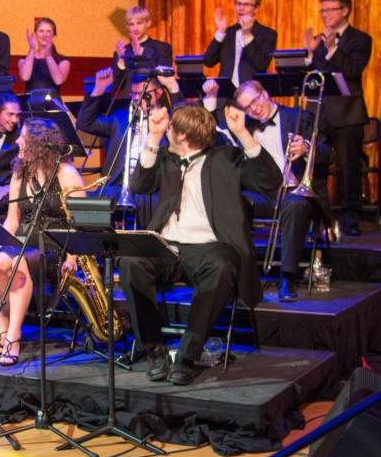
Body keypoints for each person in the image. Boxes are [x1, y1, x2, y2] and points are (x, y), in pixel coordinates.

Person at [119, 104, 281, 385]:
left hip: (209, 247)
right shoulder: (166, 159)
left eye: (170, 129)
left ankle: (187, 355)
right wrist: (154, 138)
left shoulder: (226, 159)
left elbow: (270, 180)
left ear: (181, 135)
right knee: (131, 262)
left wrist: (242, 133)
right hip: (166, 245)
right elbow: (139, 187)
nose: (167, 130)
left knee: (221, 268)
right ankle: (154, 349)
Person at [0, 118, 84, 366]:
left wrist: (73, 256)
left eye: (23, 137)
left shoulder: (66, 174)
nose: (18, 141)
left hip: (56, 242)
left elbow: (80, 223)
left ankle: (13, 336)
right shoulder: (20, 174)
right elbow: (12, 220)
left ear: (39, 144)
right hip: (25, 236)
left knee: (18, 264)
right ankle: (3, 324)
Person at [233, 80, 332, 301]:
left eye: (255, 101)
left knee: (294, 204)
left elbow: (328, 154)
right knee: (234, 201)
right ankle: (240, 272)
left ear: (265, 93)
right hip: (264, 195)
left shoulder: (299, 116)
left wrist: (307, 148)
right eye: (247, 107)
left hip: (296, 191)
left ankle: (287, 277)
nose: (254, 108)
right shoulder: (246, 129)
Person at [76, 67, 183, 227]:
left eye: (142, 95)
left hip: (152, 190)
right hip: (118, 186)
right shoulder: (120, 118)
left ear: (158, 93)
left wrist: (174, 88)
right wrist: (98, 89)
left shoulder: (170, 119)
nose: (136, 99)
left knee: (153, 203)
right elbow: (85, 123)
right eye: (133, 95)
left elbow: (189, 124)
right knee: (86, 205)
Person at [304, 0, 373, 236]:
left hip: (347, 114)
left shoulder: (360, 39)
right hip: (319, 114)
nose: (325, 15)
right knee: (316, 168)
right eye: (322, 11)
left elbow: (353, 71)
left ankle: (350, 218)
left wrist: (333, 48)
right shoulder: (318, 40)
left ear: (344, 11)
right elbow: (311, 78)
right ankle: (320, 216)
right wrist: (310, 55)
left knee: (348, 169)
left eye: (330, 10)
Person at [203, 0, 277, 89]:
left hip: (251, 97)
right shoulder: (228, 32)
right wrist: (220, 32)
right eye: (238, 3)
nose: (241, 8)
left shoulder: (267, 34)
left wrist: (247, 35)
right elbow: (208, 61)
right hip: (226, 96)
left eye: (246, 5)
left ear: (256, 8)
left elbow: (261, 64)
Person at [112, 6, 173, 96]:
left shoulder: (162, 48)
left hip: (155, 101)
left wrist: (139, 55)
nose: (135, 28)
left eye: (139, 23)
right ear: (127, 26)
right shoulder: (121, 52)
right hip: (129, 103)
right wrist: (121, 64)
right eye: (131, 24)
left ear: (148, 23)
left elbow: (163, 78)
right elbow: (116, 86)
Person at [18, 17, 70, 97]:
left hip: (52, 105)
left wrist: (48, 55)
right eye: (41, 31)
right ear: (35, 34)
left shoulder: (63, 61)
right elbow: (25, 77)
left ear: (54, 35)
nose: (44, 35)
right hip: (30, 104)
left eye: (48, 31)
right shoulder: (24, 60)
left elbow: (58, 81)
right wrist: (32, 49)